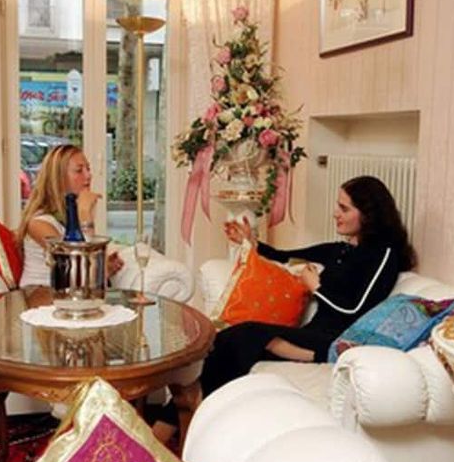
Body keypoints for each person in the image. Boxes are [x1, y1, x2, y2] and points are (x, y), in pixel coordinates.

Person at [152, 175, 416, 441]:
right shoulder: (341, 250)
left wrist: (316, 287)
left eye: (344, 208)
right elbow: (283, 255)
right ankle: (183, 418)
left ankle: (170, 427)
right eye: (338, 206)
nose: (335, 214)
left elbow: (355, 310)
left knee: (244, 334)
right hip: (311, 333)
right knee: (222, 346)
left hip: (331, 342)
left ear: (368, 214)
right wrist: (250, 242)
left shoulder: (384, 256)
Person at [15, 144, 124, 287]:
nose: (88, 175)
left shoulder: (68, 217)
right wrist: (85, 215)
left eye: (88, 169)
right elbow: (77, 269)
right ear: (58, 178)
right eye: (79, 170)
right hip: (40, 294)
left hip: (69, 294)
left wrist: (105, 269)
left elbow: (87, 276)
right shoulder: (39, 223)